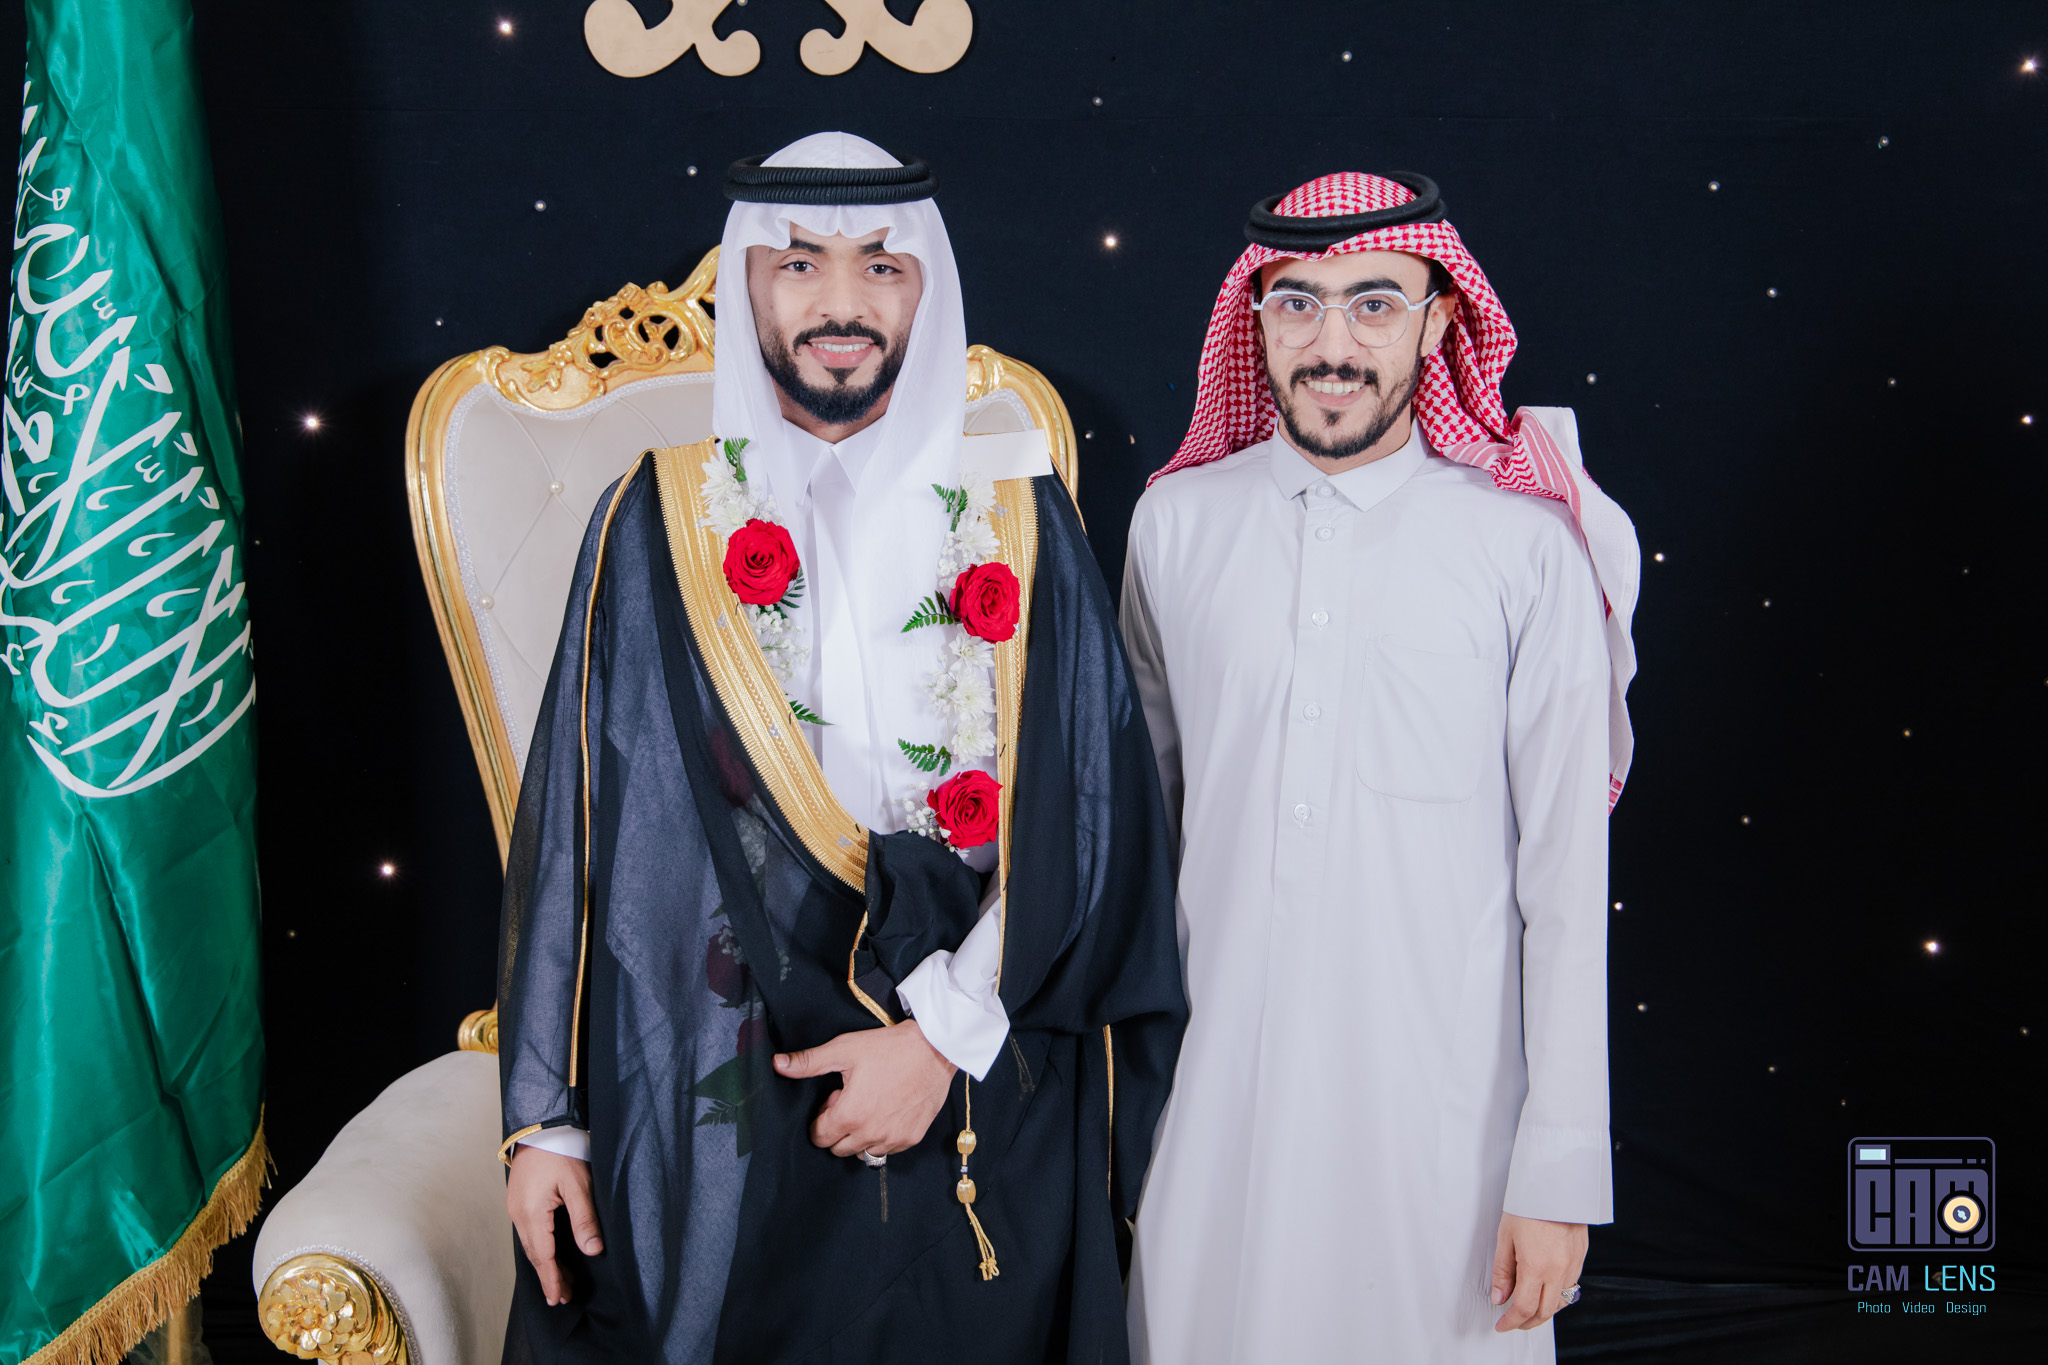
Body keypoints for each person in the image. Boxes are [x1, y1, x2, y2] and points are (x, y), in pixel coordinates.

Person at [495, 132, 1186, 1364]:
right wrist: (546, 1119)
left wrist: (938, 1041)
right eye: (799, 264)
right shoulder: (654, 519)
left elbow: (1091, 816)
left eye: (880, 266)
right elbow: (580, 829)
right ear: (746, 286)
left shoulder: (1019, 520)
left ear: (926, 293)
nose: (840, 304)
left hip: (978, 1059)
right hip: (728, 1063)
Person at [1119, 171, 1641, 1363]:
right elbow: (1138, 839)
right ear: (1253, 320)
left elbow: (1565, 889)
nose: (1332, 344)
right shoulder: (1175, 528)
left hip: (1444, 1133)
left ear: (1438, 320)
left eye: (1373, 304)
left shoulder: (1524, 549)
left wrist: (1557, 1174)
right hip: (1212, 1115)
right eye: (1296, 304)